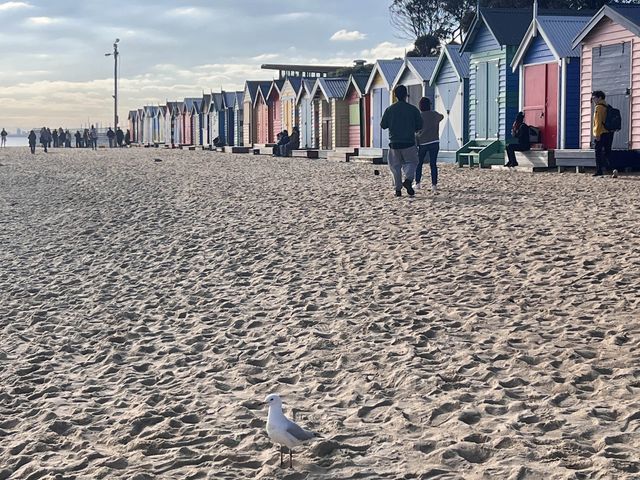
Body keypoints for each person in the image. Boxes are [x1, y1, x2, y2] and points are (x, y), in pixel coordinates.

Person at [380, 85, 423, 197]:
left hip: (394, 143)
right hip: (409, 142)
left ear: (395, 95)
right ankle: (408, 180)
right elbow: (420, 126)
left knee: (395, 167)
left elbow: (383, 125)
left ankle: (398, 190)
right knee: (412, 162)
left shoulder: (389, 109)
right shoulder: (413, 109)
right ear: (406, 95)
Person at [416, 97, 444, 194]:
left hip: (423, 142)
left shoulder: (419, 116)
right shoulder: (435, 114)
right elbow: (442, 116)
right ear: (429, 105)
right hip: (434, 142)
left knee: (419, 163)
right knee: (433, 164)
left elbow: (416, 128)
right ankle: (434, 185)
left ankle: (418, 183)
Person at [592, 90, 615, 177]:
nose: (593, 100)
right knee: (607, 152)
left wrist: (597, 134)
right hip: (609, 132)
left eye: (594, 98)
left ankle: (599, 171)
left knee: (598, 152)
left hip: (601, 132)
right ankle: (613, 169)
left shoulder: (598, 107)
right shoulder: (607, 106)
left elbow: (597, 122)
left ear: (599, 97)